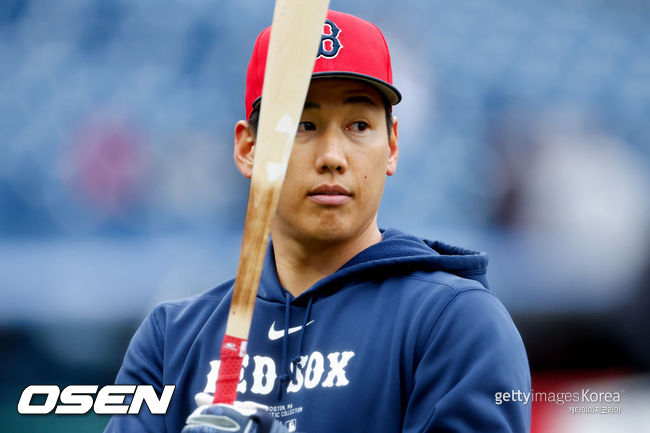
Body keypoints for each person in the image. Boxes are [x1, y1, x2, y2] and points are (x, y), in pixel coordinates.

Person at [105, 9, 531, 433]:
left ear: (392, 146)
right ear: (248, 148)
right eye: (302, 125)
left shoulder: (452, 322)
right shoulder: (171, 341)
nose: (332, 157)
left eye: (359, 125)